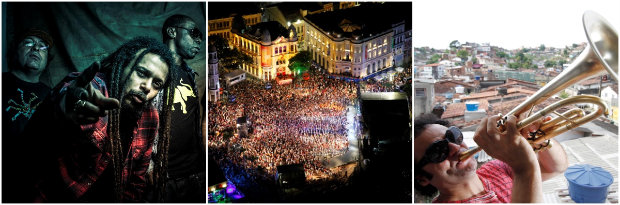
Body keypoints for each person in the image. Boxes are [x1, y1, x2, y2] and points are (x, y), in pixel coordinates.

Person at [20, 37, 176, 202]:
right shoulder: (96, 88)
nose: (147, 86)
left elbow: (136, 181)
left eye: (157, 84)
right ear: (123, 65)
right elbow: (68, 96)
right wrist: (66, 104)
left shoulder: (150, 118)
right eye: (142, 73)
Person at [414, 113, 568, 203]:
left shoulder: (494, 168)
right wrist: (524, 169)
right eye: (437, 150)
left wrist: (537, 135)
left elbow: (554, 168)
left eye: (453, 136)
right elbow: (530, 170)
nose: (455, 148)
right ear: (422, 178)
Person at [150, 14, 205, 202]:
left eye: (201, 36)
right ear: (172, 32)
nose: (199, 39)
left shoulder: (189, 73)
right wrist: (149, 165)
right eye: (194, 32)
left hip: (194, 174)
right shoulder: (150, 70)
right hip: (163, 177)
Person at [2, 28, 54, 203]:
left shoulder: (52, 95)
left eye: (43, 47)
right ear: (15, 51)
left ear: (47, 60)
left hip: (36, 188)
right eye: (29, 43)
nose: (36, 49)